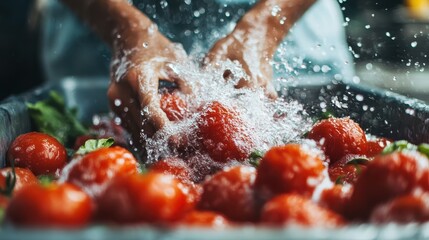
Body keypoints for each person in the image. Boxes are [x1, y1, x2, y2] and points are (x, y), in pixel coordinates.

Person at [40, 0, 354, 151]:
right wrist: (121, 26)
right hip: (99, 18)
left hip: (287, 19)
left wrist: (268, 25)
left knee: (310, 145)